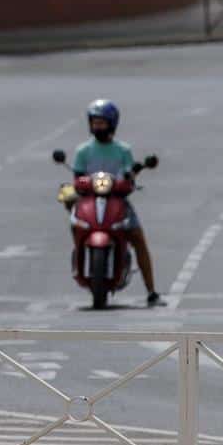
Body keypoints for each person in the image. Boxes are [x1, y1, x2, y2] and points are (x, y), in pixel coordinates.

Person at [70, 99, 161, 306]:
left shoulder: (123, 150)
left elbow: (129, 175)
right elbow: (77, 177)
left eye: (102, 122)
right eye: (95, 122)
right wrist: (80, 184)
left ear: (112, 124)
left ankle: (151, 291)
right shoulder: (83, 151)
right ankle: (79, 257)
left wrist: (132, 175)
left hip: (117, 200)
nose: (97, 126)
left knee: (138, 237)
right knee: (75, 224)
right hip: (89, 200)